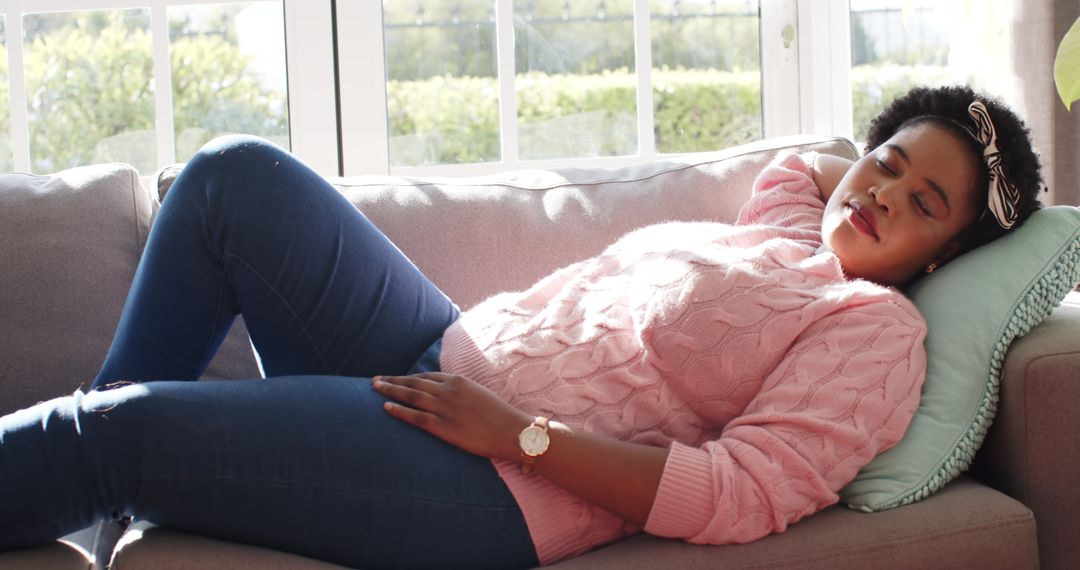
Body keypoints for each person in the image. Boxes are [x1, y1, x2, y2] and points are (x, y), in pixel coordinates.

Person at [0, 85, 1044, 568]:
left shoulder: (875, 334)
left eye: (922, 206)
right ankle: (92, 513)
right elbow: (798, 173)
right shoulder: (792, 236)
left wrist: (519, 437)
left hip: (493, 480)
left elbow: (742, 495)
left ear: (944, 257)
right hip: (444, 351)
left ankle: (91, 472)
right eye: (887, 163)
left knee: (120, 433)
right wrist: (905, 162)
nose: (879, 196)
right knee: (232, 179)